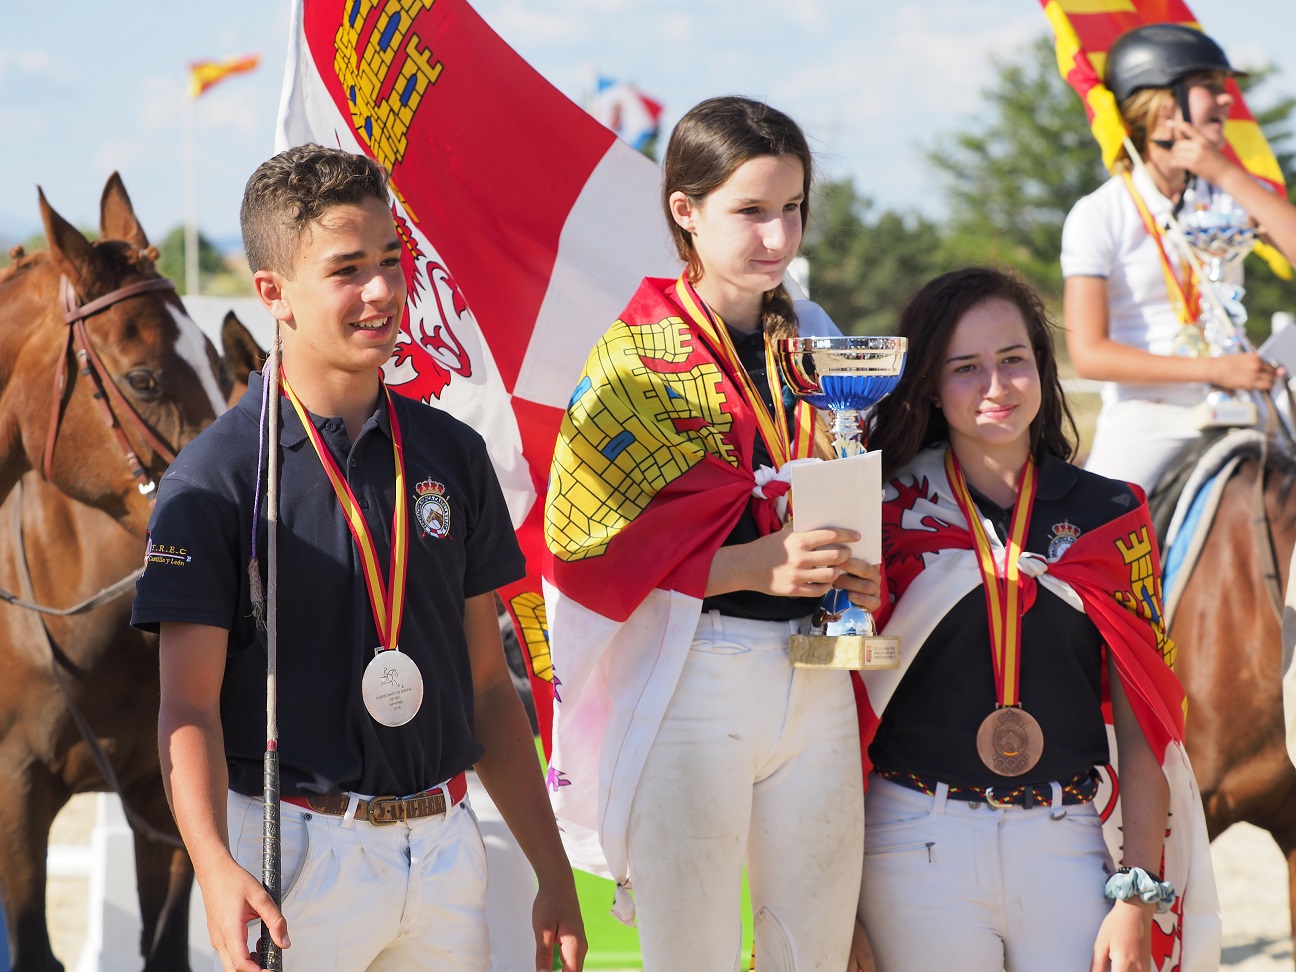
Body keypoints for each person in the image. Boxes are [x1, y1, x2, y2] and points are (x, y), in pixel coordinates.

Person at [132, 144, 585, 972]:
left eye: (390, 259)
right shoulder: (215, 479)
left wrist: (553, 873)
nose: (382, 291)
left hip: (446, 852)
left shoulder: (453, 453)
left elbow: (488, 687)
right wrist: (216, 866)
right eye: (347, 269)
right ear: (274, 293)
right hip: (295, 862)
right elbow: (186, 708)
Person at [543, 95, 882, 970]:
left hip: (819, 676)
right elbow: (582, 551)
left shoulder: (817, 342)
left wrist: (858, 568)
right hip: (693, 680)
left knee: (810, 957)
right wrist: (750, 567)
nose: (778, 236)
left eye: (792, 208)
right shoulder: (632, 359)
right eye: (751, 210)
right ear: (685, 212)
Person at [850, 267, 1218, 972]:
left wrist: (1137, 892)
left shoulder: (1113, 514)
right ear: (930, 385)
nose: (996, 386)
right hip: (912, 842)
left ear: (1042, 368)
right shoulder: (884, 508)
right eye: (965, 367)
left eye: (1013, 359)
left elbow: (1144, 718)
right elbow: (838, 708)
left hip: (1067, 841)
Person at [1062, 23, 1296, 493]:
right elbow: (1088, 354)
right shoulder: (1098, 213)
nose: (1228, 99)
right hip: (1150, 415)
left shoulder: (1231, 190)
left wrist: (1225, 172)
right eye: (1210, 86)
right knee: (1100, 526)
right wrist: (1213, 369)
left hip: (1245, 398)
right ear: (1165, 106)